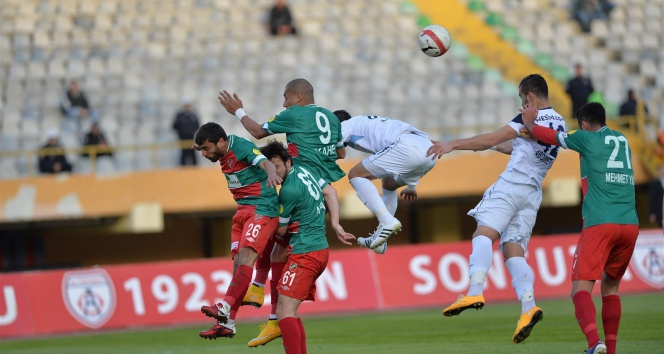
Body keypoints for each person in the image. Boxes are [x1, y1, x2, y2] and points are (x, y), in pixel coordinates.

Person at [427, 74, 565, 344]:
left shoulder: (530, 117)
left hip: (511, 186)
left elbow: (492, 138)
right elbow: (519, 146)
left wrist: (453, 144)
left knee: (483, 234)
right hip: (532, 193)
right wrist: (484, 147)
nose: (522, 103)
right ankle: (528, 306)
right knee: (513, 251)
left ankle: (475, 290)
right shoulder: (558, 121)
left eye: (521, 98)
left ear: (530, 97)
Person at [217, 78, 355, 347]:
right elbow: (339, 152)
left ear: (299, 96)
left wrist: (238, 112)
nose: (283, 103)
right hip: (319, 183)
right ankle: (270, 316)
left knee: (269, 230)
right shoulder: (330, 116)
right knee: (279, 245)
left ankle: (259, 294)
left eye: (286, 97)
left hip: (301, 185)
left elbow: (257, 132)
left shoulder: (293, 115)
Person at [520, 101, 639, 354]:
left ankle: (594, 343)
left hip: (600, 222)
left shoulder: (585, 137)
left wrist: (530, 122)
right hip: (629, 224)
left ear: (584, 124)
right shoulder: (622, 139)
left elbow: (548, 135)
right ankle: (612, 349)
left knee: (579, 289)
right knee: (611, 287)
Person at [193, 122, 282, 340]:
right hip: (242, 211)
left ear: (221, 142)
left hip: (261, 208)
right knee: (236, 265)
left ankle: (224, 306)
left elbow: (264, 163)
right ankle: (228, 323)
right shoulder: (221, 154)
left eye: (207, 148)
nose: (205, 154)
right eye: (202, 150)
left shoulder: (240, 146)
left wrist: (271, 173)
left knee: (245, 258)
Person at [260, 140, 349, 354]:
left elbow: (281, 231)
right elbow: (330, 192)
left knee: (284, 312)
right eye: (271, 169)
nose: (275, 173)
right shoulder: (304, 170)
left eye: (278, 167)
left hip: (304, 252)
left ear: (288, 162)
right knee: (289, 311)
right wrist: (335, 223)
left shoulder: (288, 190)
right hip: (319, 249)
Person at [334, 110, 438, 253]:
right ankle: (381, 239)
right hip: (429, 152)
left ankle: (386, 220)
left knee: (355, 175)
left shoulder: (345, 124)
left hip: (406, 147)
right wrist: (411, 185)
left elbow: (338, 145)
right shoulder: (367, 123)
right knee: (388, 184)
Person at [648, 164, 664, 229]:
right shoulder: (655, 183)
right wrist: (652, 213)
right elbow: (652, 199)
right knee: (660, 226)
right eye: (661, 169)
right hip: (659, 211)